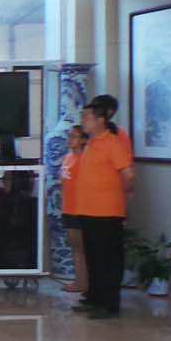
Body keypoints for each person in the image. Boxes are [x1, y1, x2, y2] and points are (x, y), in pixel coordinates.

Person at [75, 104, 134, 319]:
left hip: (107, 212)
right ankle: (94, 298)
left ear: (100, 120)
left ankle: (109, 304)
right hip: (88, 210)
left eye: (86, 117)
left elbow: (128, 175)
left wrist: (124, 198)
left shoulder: (112, 143)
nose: (83, 120)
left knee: (108, 259)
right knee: (93, 257)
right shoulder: (90, 143)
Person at [60, 124, 89, 295]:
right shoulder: (67, 157)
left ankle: (85, 283)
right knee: (75, 247)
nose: (70, 139)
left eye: (74, 136)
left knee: (82, 247)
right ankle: (79, 281)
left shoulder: (85, 159)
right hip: (68, 208)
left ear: (83, 140)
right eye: (69, 135)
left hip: (81, 209)